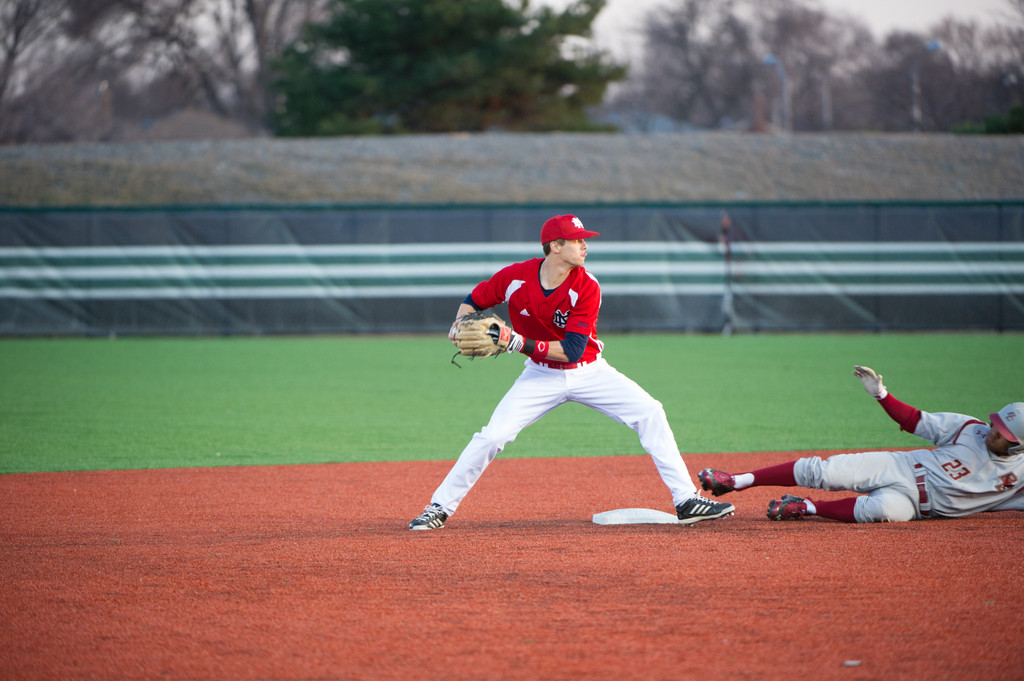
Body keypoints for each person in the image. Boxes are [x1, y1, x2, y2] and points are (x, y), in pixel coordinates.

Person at [409, 214, 735, 530]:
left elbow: (572, 351)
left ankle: (686, 500)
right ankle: (439, 507)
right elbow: (475, 299)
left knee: (650, 412)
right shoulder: (515, 278)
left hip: (589, 372)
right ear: (555, 246)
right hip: (540, 375)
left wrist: (515, 341)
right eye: (577, 240)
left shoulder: (588, 286)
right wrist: (457, 324)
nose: (584, 246)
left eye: (584, 240)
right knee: (493, 436)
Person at [697, 365, 1024, 522]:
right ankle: (736, 481)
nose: (993, 433)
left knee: (881, 512)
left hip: (918, 508)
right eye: (996, 425)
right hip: (903, 468)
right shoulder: (970, 428)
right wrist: (881, 394)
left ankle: (808, 507)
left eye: (1003, 435)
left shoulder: (1020, 477)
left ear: (1018, 447)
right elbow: (914, 421)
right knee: (825, 471)